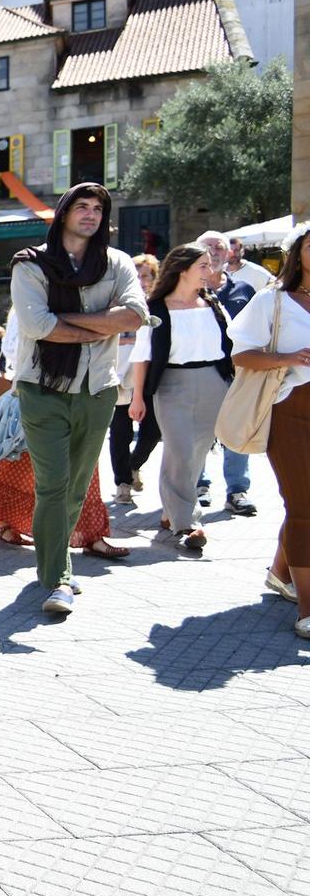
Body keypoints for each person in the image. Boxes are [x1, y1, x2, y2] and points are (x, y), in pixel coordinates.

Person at [9, 182, 148, 617]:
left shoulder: (118, 263)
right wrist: (102, 325)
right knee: (53, 486)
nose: (90, 214)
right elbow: (38, 327)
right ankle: (58, 579)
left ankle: (54, 564)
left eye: (97, 208)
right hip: (42, 387)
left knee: (75, 488)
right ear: (65, 212)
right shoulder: (31, 265)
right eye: (82, 206)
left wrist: (65, 320)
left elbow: (135, 316)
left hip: (98, 389)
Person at [0, 309, 129, 561]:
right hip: (41, 388)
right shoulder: (31, 296)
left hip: (85, 388)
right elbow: (13, 347)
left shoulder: (90, 295)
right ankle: (6, 522)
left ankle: (91, 535)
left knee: (84, 462)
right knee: (21, 459)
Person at [229, 226, 310, 632]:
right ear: (298, 254)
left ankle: (281, 574)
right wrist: (286, 356)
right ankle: (307, 609)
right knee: (304, 508)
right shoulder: (272, 301)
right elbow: (242, 356)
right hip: (290, 410)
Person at [131, 245, 234, 552]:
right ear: (182, 269)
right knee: (179, 448)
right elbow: (142, 356)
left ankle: (171, 512)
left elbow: (232, 342)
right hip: (171, 383)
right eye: (203, 265)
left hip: (214, 383)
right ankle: (187, 522)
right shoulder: (156, 308)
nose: (209, 271)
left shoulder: (212, 304)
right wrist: (138, 397)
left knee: (198, 451)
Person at [195, 232, 259, 517]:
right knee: (198, 432)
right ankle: (199, 486)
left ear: (230, 252)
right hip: (198, 373)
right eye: (208, 247)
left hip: (237, 372)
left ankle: (237, 491)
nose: (214, 252)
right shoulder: (185, 290)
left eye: (220, 246)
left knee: (237, 430)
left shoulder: (244, 289)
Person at [109, 252, 162, 505]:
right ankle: (122, 484)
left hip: (149, 377)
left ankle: (133, 465)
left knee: (152, 431)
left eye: (146, 275)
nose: (141, 280)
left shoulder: (160, 304)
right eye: (137, 275)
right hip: (120, 373)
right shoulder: (118, 303)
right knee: (120, 432)